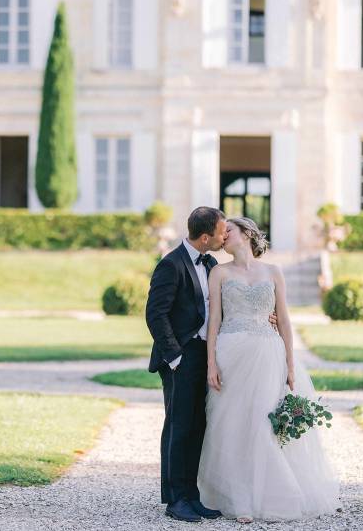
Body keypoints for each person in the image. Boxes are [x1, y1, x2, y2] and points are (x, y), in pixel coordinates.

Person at [198, 217, 341, 523]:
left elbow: (285, 321)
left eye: (229, 231)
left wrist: (290, 363)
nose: (223, 236)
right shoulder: (219, 273)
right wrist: (211, 362)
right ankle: (239, 501)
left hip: (267, 354)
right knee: (233, 425)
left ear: (247, 233)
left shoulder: (274, 272)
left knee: (263, 422)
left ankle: (273, 495)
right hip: (231, 354)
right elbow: (214, 321)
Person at [144, 207, 277, 522]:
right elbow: (155, 314)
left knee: (199, 425)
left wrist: (262, 314)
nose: (224, 236)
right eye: (221, 232)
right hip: (180, 357)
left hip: (207, 354)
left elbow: (217, 310)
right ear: (205, 237)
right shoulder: (171, 265)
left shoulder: (213, 264)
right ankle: (175, 499)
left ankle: (192, 495)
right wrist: (175, 357)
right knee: (179, 425)